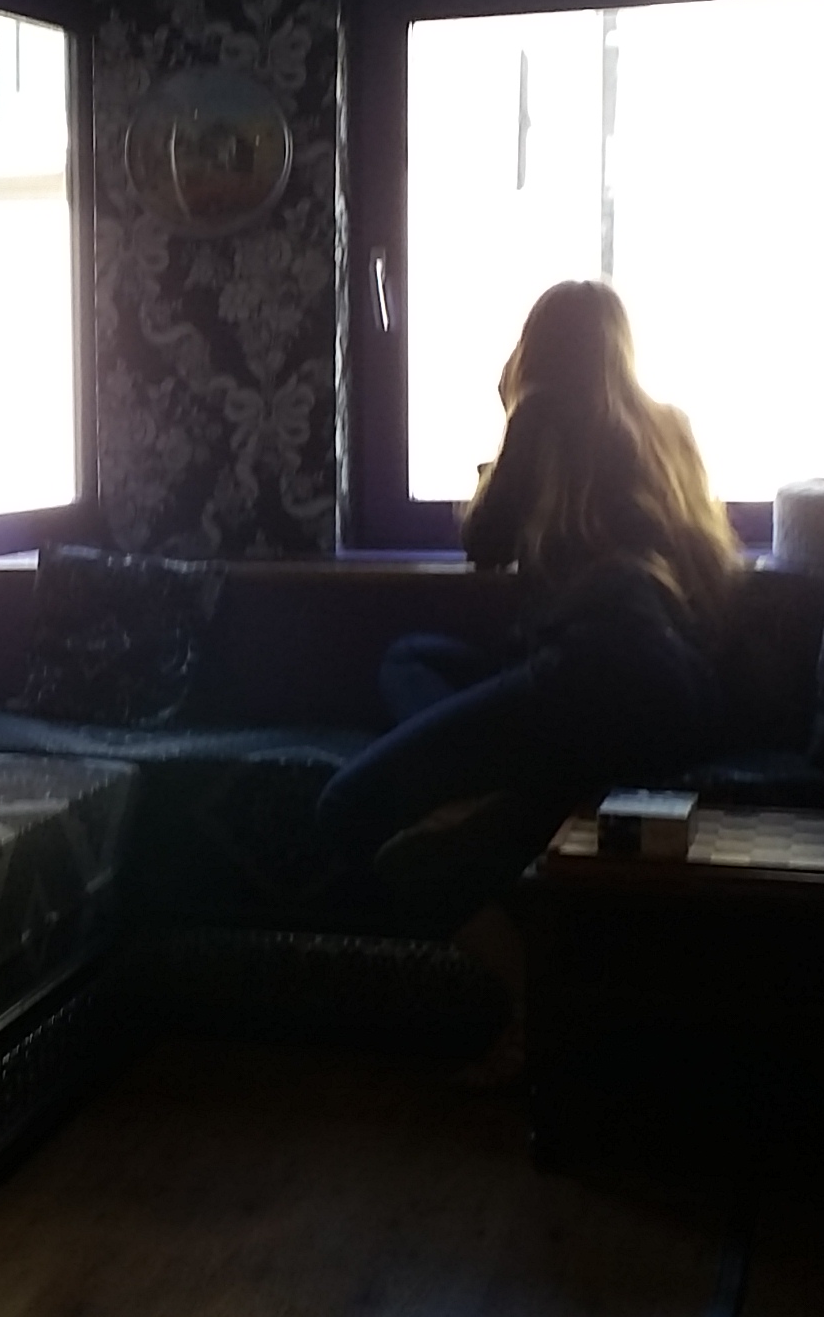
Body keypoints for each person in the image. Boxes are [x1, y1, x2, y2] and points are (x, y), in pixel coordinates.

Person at [317, 279, 743, 922]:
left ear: (535, 351)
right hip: (686, 699)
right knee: (412, 657)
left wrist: (516, 423)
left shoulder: (542, 419)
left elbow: (484, 541)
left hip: (589, 672)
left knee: (344, 807)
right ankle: (505, 788)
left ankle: (491, 859)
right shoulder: (668, 428)